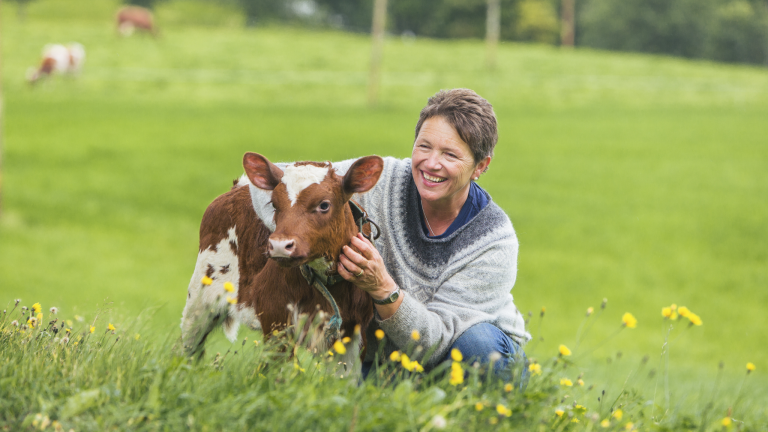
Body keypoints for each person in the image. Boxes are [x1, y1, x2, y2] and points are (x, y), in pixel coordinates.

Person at [334, 88, 530, 379]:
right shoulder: (378, 180)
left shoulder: (493, 241)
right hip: (387, 358)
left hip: (462, 358)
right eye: (424, 147)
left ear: (480, 166)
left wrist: (382, 288)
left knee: (478, 345)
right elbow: (304, 182)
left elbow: (435, 344)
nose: (431, 163)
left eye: (450, 154)